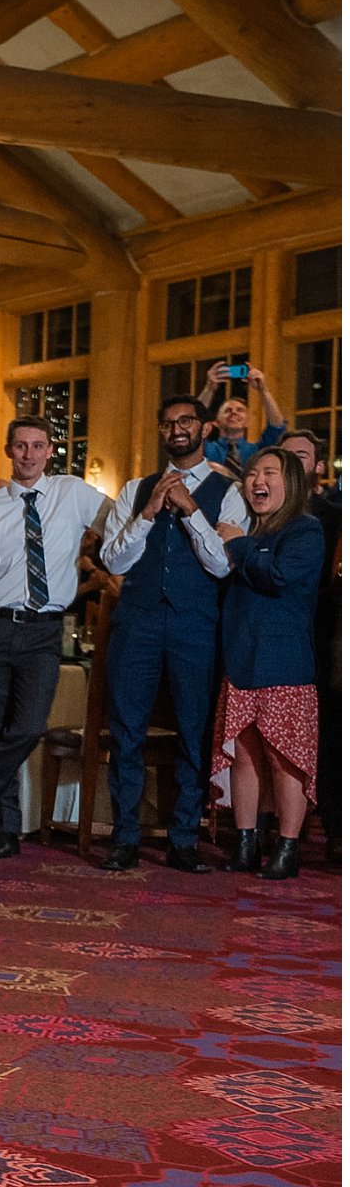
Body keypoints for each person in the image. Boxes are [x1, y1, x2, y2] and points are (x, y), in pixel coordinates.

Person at [0, 421, 113, 857]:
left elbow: (119, 521)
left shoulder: (72, 493)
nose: (29, 454)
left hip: (43, 630)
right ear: (8, 450)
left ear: (50, 451)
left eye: (37, 446)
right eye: (21, 446)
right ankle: (6, 832)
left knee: (29, 727)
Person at [95, 395, 248, 871]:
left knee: (194, 730)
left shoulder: (230, 492)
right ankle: (125, 835)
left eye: (186, 421)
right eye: (168, 423)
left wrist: (188, 510)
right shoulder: (135, 489)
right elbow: (114, 561)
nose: (177, 429)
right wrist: (148, 513)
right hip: (137, 621)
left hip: (195, 624)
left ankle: (184, 837)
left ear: (204, 430)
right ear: (161, 432)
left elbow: (223, 565)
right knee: (126, 730)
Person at [212, 448, 325, 879]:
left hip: (284, 663)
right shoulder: (249, 530)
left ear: (290, 482)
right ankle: (245, 843)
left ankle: (288, 846)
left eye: (269, 473)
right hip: (241, 657)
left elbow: (277, 577)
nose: (257, 480)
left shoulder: (306, 530)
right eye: (252, 473)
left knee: (283, 758)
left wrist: (237, 544)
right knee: (245, 754)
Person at [277, 428, 339, 854]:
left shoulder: (335, 515)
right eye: (285, 457)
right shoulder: (259, 512)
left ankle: (335, 830)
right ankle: (271, 830)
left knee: (332, 735)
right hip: (277, 636)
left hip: (325, 635)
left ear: (317, 466)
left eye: (301, 456)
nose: (293, 464)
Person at [198, 361, 288, 471]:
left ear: (248, 422)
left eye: (240, 410)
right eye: (227, 410)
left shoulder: (258, 451)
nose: (234, 413)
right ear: (216, 422)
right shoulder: (205, 448)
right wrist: (209, 389)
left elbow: (277, 426)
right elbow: (194, 423)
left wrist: (263, 390)